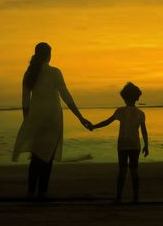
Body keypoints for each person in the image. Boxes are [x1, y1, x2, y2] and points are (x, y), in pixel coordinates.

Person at [12, 42, 92, 200]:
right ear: (49, 55)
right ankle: (42, 191)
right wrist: (80, 117)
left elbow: (25, 101)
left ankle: (31, 192)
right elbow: (66, 96)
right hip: (53, 118)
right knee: (47, 156)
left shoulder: (29, 73)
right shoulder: (55, 72)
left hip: (36, 118)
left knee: (36, 156)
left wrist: (27, 121)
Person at [89, 82, 149, 203]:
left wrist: (94, 126)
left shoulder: (120, 111)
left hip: (123, 144)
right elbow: (144, 131)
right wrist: (146, 145)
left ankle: (119, 196)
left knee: (122, 169)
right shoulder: (140, 113)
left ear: (124, 97)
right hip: (135, 144)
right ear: (137, 97)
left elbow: (107, 122)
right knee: (134, 169)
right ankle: (135, 196)